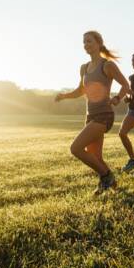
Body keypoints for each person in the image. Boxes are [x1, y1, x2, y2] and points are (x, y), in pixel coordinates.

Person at [55, 30, 129, 194]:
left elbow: (126, 85)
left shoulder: (107, 65)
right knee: (95, 156)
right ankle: (112, 185)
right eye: (84, 42)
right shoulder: (84, 68)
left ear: (99, 43)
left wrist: (117, 99)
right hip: (90, 115)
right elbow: (81, 90)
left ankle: (107, 177)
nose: (86, 45)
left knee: (76, 148)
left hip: (104, 115)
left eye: (89, 41)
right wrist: (64, 96)